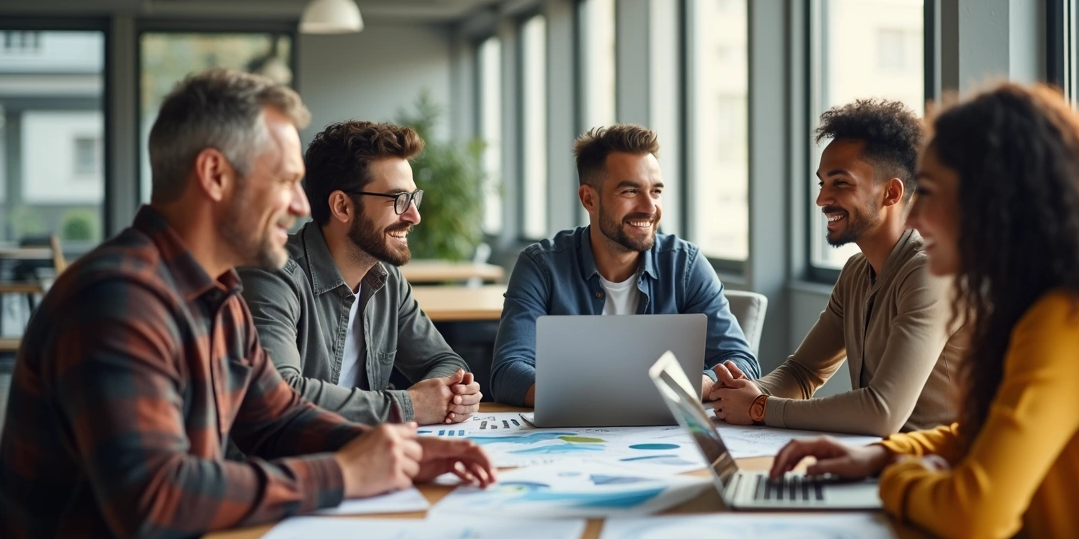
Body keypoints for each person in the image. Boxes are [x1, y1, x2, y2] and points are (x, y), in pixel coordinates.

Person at [0, 69, 496, 539]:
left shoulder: (217, 293)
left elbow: (276, 417)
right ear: (214, 176)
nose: (302, 205)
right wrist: (344, 472)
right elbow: (154, 500)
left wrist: (402, 453)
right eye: (283, 181)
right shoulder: (117, 298)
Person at [769, 83, 1079, 539]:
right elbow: (977, 435)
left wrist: (894, 477)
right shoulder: (1039, 309)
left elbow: (974, 513)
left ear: (992, 202)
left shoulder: (1066, 322)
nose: (912, 216)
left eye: (929, 193)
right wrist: (880, 455)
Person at [710, 99, 961, 436]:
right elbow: (802, 372)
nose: (822, 199)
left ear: (891, 192)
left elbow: (882, 412)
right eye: (822, 183)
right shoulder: (857, 272)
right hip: (877, 461)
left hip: (936, 471)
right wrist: (744, 393)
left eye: (840, 183)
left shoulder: (929, 273)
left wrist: (760, 408)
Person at [490, 124, 760, 406]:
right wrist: (624, 393)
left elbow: (742, 364)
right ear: (589, 199)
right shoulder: (541, 266)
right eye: (631, 191)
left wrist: (687, 385)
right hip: (572, 439)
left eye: (655, 191)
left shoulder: (686, 265)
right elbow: (508, 372)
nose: (649, 207)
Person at [241, 120, 480, 426]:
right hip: (286, 468)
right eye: (398, 200)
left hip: (368, 460)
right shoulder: (272, 275)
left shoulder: (386, 279)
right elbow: (279, 395)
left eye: (413, 198)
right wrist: (410, 405)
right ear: (342, 206)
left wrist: (450, 394)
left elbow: (444, 362)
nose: (414, 216)